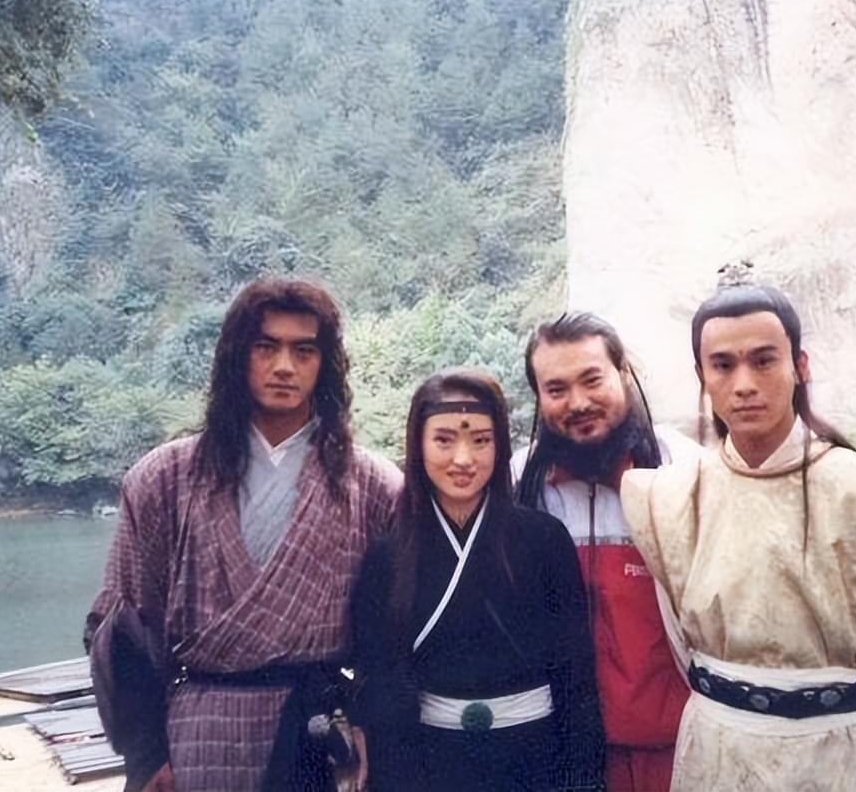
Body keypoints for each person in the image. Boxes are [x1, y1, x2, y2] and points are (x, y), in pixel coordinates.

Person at [620, 277, 856, 791]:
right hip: (714, 756)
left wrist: (843, 730)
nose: (743, 384)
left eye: (764, 360)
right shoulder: (671, 500)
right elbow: (682, 644)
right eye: (722, 365)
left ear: (800, 366)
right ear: (702, 376)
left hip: (841, 762)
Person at [84, 278, 402, 792]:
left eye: (304, 350)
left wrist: (371, 728)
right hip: (197, 740)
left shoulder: (374, 485)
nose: (284, 366)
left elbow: (395, 638)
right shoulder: (163, 479)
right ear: (237, 355)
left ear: (325, 364)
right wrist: (146, 757)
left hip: (318, 736)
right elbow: (121, 628)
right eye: (265, 347)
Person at [349, 369, 604, 791]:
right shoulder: (387, 556)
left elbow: (575, 673)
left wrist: (580, 777)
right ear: (418, 444)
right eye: (444, 440)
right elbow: (378, 673)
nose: (463, 459)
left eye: (481, 440)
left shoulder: (545, 540)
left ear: (500, 446)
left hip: (534, 755)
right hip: (430, 762)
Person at [514, 312, 692, 792]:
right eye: (556, 389)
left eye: (592, 380)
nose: (578, 402)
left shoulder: (683, 471)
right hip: (566, 751)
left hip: (679, 746)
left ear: (624, 373)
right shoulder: (520, 485)